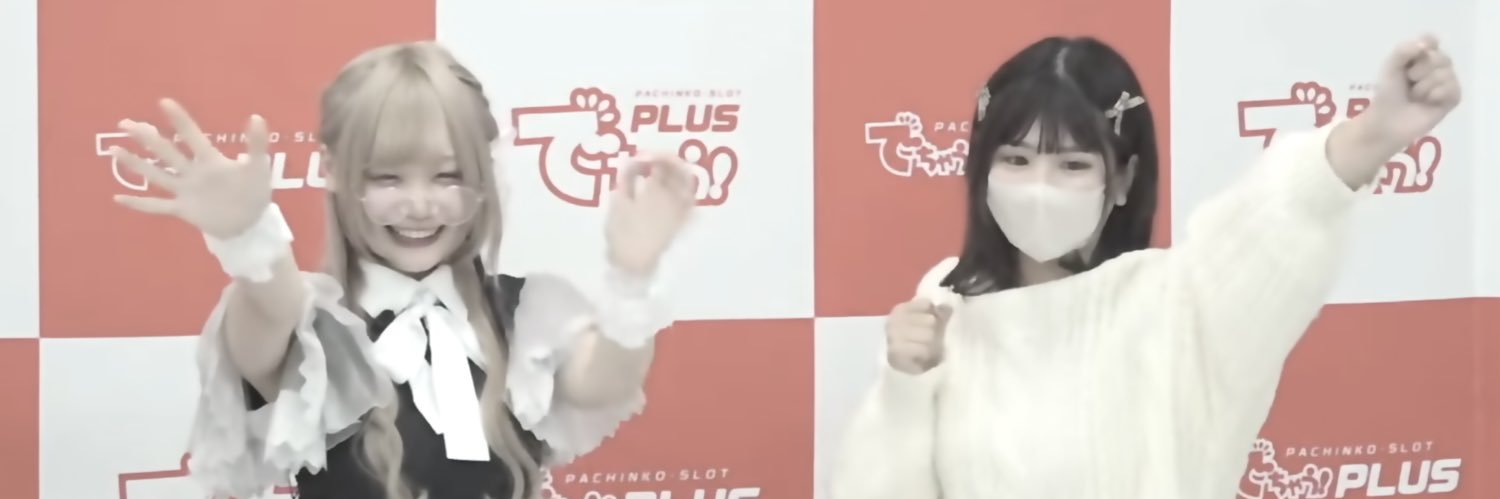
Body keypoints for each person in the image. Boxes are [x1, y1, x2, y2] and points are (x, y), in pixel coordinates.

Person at [829, 35, 1460, 498]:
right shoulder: (944, 305)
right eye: (1016, 160)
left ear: (1124, 178)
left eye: (1072, 165)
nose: (1039, 187)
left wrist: (1377, 132)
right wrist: (905, 385)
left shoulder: (1179, 307)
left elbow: (1277, 215)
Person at [109, 42, 697, 499]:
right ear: (335, 172)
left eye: (447, 176)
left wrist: (633, 274)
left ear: (482, 179)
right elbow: (270, 308)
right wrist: (248, 236)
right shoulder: (310, 324)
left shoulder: (522, 313)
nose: (420, 204)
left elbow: (606, 382)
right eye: (387, 177)